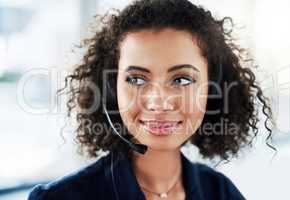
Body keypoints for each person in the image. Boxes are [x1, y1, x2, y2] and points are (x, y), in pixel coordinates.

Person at [28, 0, 275, 199]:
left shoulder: (221, 192)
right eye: (136, 79)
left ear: (211, 88)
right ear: (112, 89)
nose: (160, 102)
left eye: (181, 80)